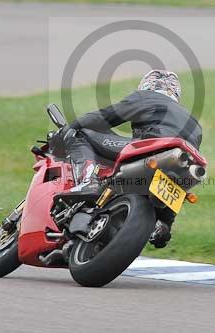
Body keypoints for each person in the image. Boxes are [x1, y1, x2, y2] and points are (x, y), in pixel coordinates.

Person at [62, 69, 202, 248]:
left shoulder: (145, 97)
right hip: (182, 164)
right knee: (175, 183)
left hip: (151, 149)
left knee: (80, 134)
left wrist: (70, 127)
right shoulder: (194, 123)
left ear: (147, 85)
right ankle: (163, 226)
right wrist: (167, 222)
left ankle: (87, 180)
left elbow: (104, 117)